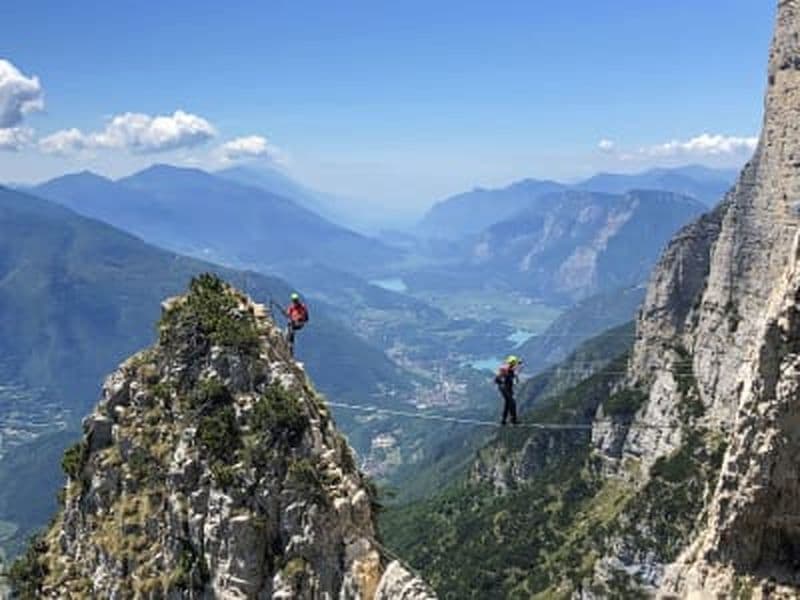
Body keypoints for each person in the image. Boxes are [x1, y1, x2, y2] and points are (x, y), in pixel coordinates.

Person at [495, 355, 521, 425]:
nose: (515, 365)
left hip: (506, 388)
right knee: (512, 403)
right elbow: (498, 379)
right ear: (512, 363)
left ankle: (503, 420)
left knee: (507, 403)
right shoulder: (507, 369)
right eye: (514, 363)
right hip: (505, 388)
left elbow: (514, 376)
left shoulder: (509, 369)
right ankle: (513, 420)